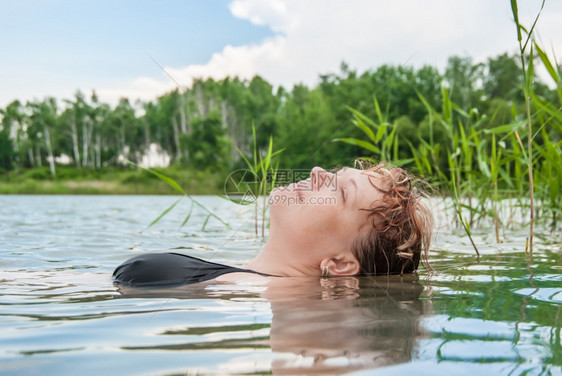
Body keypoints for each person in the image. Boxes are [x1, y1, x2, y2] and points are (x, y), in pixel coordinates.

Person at [112, 161, 433, 287]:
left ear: (339, 264)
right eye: (336, 174)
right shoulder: (233, 281)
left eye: (341, 191)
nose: (319, 172)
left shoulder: (234, 291)